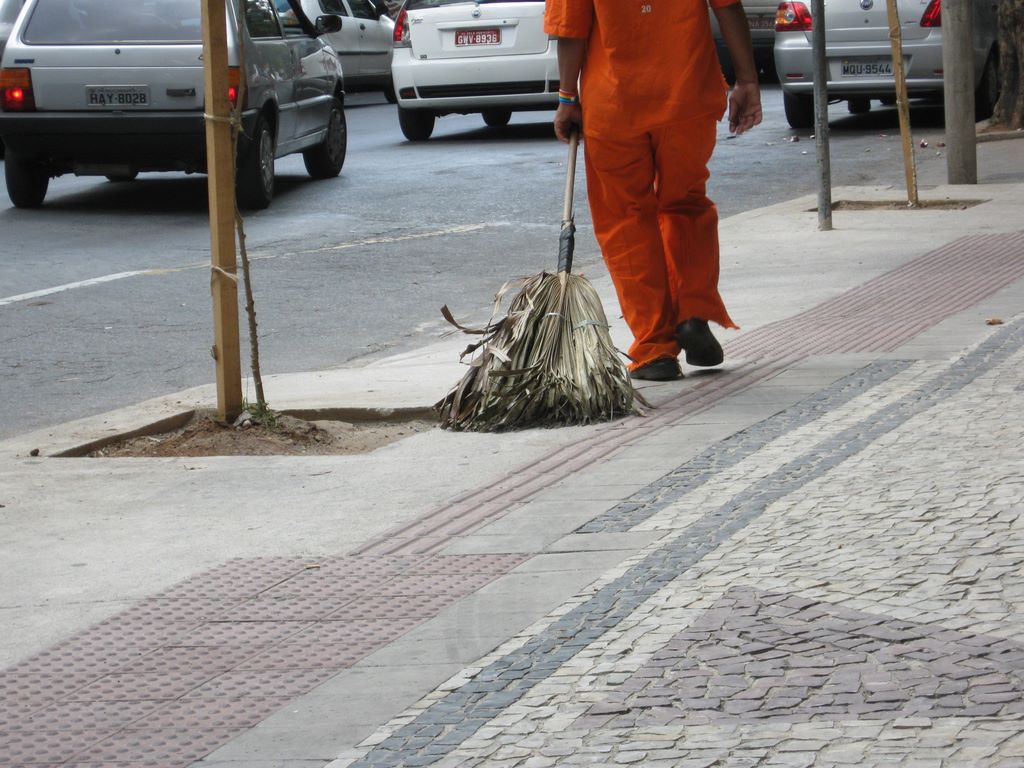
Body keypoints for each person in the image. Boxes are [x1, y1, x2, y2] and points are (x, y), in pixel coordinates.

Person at [545, 0, 762, 381]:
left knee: (625, 219)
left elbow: (570, 29)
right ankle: (693, 311)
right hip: (687, 94)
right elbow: (729, 8)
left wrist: (566, 98)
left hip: (614, 105)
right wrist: (747, 81)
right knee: (687, 203)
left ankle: (654, 347)